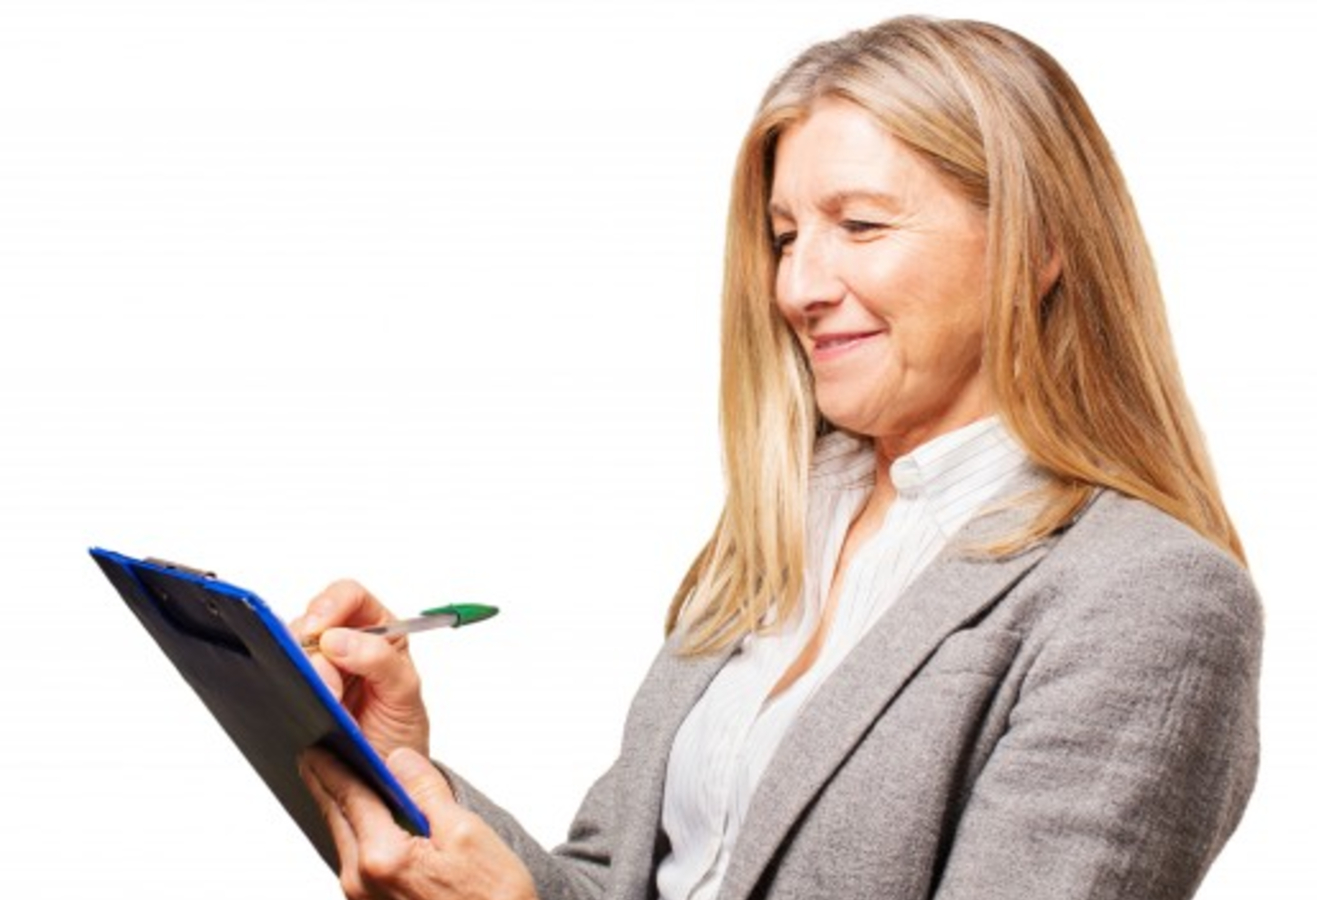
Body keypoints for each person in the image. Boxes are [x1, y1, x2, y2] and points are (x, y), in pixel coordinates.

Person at [292, 15, 1262, 900]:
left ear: (1038, 245)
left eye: (862, 226)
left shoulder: (1147, 601)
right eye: (784, 236)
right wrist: (405, 775)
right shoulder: (779, 531)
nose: (797, 286)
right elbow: (620, 879)